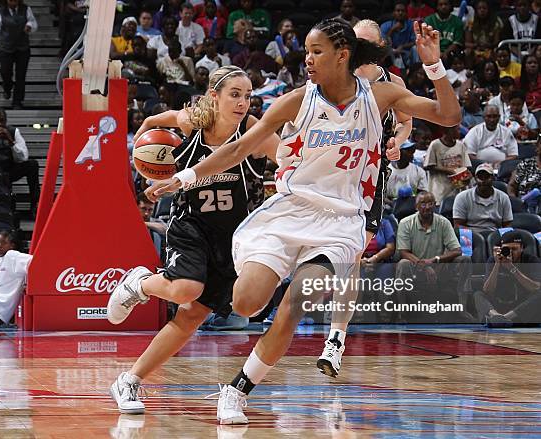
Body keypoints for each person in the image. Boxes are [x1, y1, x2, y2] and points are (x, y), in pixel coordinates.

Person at [139, 18, 460, 424]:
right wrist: (182, 178)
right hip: (289, 212)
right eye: (306, 51)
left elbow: (448, 116)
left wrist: (434, 67)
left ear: (342, 55)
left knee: (299, 299)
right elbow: (238, 149)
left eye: (316, 51)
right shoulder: (295, 100)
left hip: (341, 220)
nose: (306, 59)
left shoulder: (381, 95)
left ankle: (237, 390)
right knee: (246, 302)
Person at [106, 66, 275, 414]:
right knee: (185, 289)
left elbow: (294, 158)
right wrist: (142, 153)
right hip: (191, 225)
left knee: (191, 317)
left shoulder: (256, 134)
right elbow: (155, 119)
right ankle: (141, 283)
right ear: (214, 96)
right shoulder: (192, 125)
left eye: (248, 96)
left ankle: (129, 380)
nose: (243, 102)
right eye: (235, 94)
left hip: (235, 240)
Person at [317, 18, 410, 377]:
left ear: (380, 46)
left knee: (352, 256)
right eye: (357, 42)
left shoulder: (392, 83)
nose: (362, 48)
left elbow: (406, 121)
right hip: (326, 175)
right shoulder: (332, 76)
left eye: (369, 43)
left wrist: (397, 142)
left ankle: (336, 338)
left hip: (368, 179)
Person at [395, 191, 471, 314]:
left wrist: (436, 260)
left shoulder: (443, 222)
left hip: (439, 267)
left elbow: (457, 250)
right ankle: (401, 312)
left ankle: (463, 308)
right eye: (423, 203)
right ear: (416, 207)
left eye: (430, 203)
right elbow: (403, 252)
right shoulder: (405, 223)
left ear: (435, 205)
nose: (427, 207)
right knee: (403, 263)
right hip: (415, 267)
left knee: (465, 260)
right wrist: (424, 266)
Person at [474, 230, 541, 325]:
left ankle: (503, 319)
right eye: (507, 249)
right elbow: (488, 290)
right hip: (499, 304)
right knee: (478, 294)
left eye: (514, 249)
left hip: (520, 308)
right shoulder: (493, 260)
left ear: (522, 248)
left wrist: (511, 268)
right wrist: (497, 264)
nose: (510, 252)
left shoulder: (532, 260)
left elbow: (535, 288)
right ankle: (495, 316)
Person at [0, 0, 37, 109]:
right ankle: (7, 87)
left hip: (22, 48)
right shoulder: (0, 12)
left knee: (20, 76)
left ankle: (17, 101)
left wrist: (29, 26)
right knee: (5, 71)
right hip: (6, 48)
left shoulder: (26, 9)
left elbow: (33, 22)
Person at [453, 162, 513, 232]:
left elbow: (507, 225)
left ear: (493, 178)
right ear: (475, 179)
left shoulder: (503, 197)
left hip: (495, 235)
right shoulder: (462, 197)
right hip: (471, 235)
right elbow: (458, 225)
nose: (483, 181)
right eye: (480, 177)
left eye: (486, 177)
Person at [425, 124, 471, 204]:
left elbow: (466, 166)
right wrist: (449, 171)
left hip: (457, 189)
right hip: (440, 190)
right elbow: (428, 166)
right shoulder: (435, 145)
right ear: (447, 131)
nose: (459, 132)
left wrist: (468, 175)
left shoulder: (460, 145)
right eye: (457, 130)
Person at [380, 1, 417, 69]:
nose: (400, 13)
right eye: (398, 11)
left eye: (403, 11)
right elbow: (383, 42)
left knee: (415, 49)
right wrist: (392, 30)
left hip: (407, 52)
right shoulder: (385, 26)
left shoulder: (411, 25)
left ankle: (415, 70)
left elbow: (415, 41)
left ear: (406, 13)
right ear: (393, 13)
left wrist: (402, 46)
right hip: (391, 53)